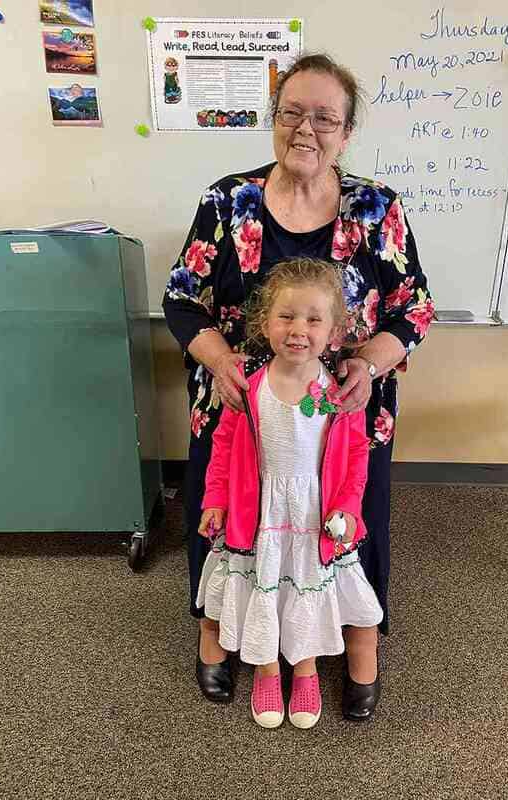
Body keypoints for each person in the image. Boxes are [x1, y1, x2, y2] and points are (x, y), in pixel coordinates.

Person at [163, 52, 434, 721]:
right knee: (230, 521)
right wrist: (220, 359)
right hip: (241, 412)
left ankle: (352, 644)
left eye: (325, 117)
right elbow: (180, 301)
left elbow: (414, 309)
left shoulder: (377, 208)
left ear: (346, 132)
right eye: (292, 112)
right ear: (273, 119)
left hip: (343, 416)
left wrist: (368, 364)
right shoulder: (229, 202)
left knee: (345, 526)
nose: (305, 129)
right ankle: (223, 635)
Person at [196, 258, 383, 728]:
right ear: (264, 322)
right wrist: (215, 499)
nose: (298, 329)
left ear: (335, 329)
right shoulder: (248, 388)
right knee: (263, 586)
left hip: (314, 517)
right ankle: (264, 667)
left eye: (314, 319)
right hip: (257, 515)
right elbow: (222, 448)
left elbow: (357, 457)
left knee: (306, 592)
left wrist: (346, 508)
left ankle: (304, 669)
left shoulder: (338, 393)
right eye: (286, 316)